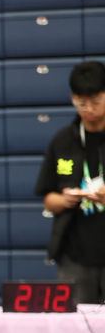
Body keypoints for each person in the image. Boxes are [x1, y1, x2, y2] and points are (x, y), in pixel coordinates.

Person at [36, 59, 105, 303]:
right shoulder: (63, 141)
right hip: (75, 257)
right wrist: (64, 200)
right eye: (81, 103)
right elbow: (48, 199)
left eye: (95, 101)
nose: (89, 109)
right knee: (73, 323)